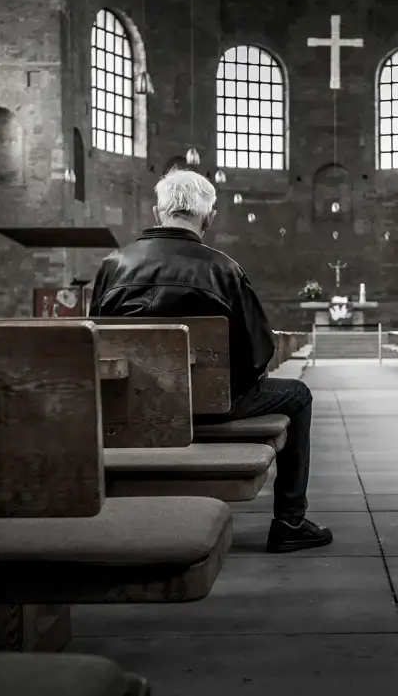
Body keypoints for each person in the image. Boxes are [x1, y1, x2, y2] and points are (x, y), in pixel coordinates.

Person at [89, 169, 333, 554]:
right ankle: (290, 521)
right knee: (298, 395)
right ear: (209, 217)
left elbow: (99, 345)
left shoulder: (113, 266)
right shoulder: (224, 269)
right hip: (215, 407)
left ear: (157, 212)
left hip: (135, 408)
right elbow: (259, 352)